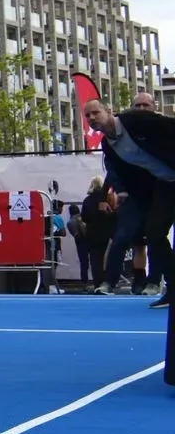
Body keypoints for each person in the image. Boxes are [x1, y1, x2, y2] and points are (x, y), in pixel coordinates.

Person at [84, 96, 175, 308]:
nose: (92, 118)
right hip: (166, 184)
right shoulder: (108, 146)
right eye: (87, 115)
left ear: (109, 111)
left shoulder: (135, 120)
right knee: (154, 233)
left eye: (96, 112)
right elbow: (129, 177)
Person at [80, 175, 115, 290]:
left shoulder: (87, 200)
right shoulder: (106, 199)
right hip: (106, 231)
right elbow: (113, 215)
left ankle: (97, 282)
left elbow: (84, 218)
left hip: (92, 232)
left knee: (95, 259)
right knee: (107, 257)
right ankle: (107, 281)